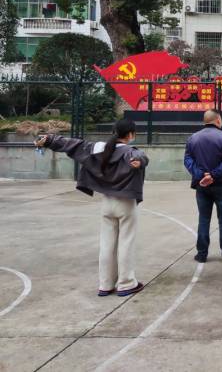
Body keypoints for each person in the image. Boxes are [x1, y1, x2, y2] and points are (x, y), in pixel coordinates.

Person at [35, 119, 148, 297]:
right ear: (131, 134)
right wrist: (138, 162)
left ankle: (105, 284)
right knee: (125, 243)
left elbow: (72, 144)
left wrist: (49, 140)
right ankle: (126, 283)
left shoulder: (98, 148)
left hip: (106, 203)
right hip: (126, 203)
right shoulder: (130, 152)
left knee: (106, 244)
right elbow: (140, 157)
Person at [184, 109, 222, 263]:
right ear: (218, 120)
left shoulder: (193, 138)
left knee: (204, 219)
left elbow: (187, 160)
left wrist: (201, 175)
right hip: (221, 185)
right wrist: (212, 175)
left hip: (202, 186)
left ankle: (202, 253)